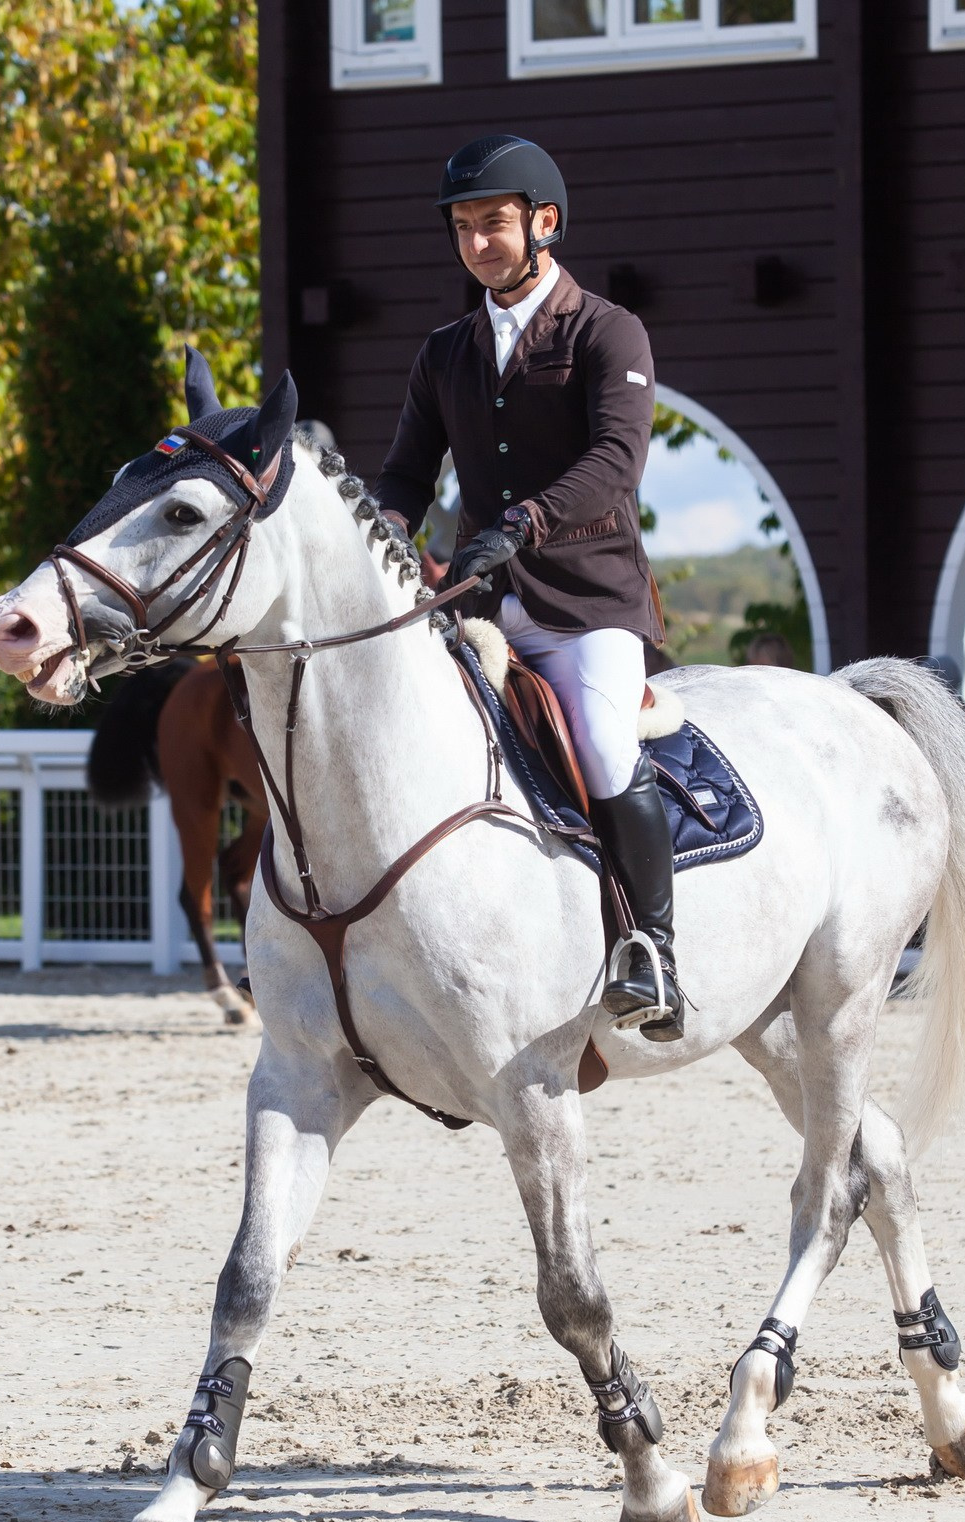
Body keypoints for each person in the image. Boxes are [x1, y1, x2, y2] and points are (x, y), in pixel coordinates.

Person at [372, 135, 685, 1039]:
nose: (477, 245)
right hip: (476, 604)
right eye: (464, 228)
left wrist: (523, 523)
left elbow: (615, 461)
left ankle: (653, 951)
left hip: (588, 602)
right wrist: (383, 531)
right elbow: (404, 474)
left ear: (544, 222)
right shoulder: (444, 353)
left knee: (598, 736)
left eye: (493, 225)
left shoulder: (607, 331)